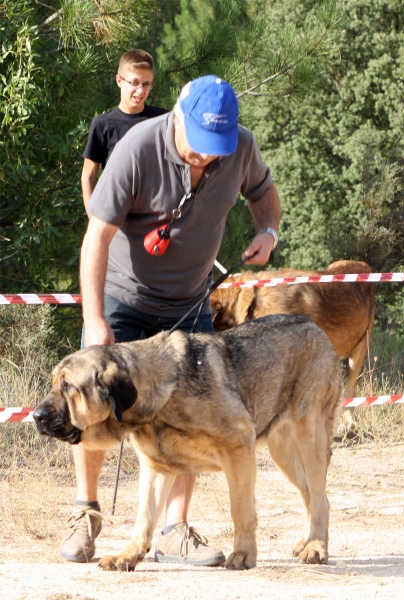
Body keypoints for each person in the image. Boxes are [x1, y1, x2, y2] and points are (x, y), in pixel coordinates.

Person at [60, 75, 281, 566]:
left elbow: (265, 195)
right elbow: (95, 237)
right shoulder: (138, 148)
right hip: (125, 299)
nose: (206, 157)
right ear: (178, 116)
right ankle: (85, 513)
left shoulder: (239, 148)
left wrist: (268, 231)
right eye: (198, 144)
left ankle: (175, 529)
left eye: (215, 147)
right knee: (90, 403)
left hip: (190, 305)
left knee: (192, 415)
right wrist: (95, 319)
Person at [81, 48, 167, 213]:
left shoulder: (163, 119)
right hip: (116, 216)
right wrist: (94, 218)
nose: (140, 91)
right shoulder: (102, 124)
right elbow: (88, 176)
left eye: (146, 84)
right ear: (119, 80)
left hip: (155, 218)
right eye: (134, 82)